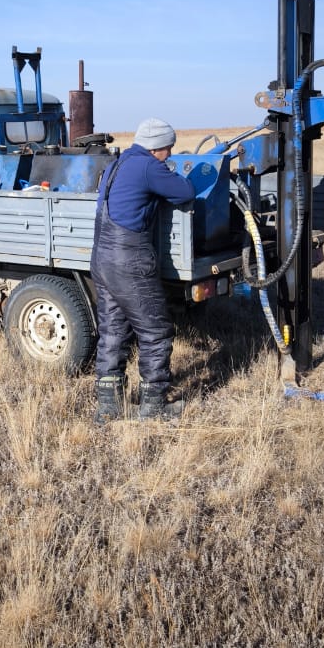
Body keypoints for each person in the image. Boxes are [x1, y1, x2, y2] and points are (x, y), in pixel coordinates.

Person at [90, 117, 196, 422]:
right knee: (154, 331)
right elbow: (185, 192)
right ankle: (153, 407)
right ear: (156, 147)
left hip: (102, 258)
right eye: (169, 149)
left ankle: (109, 408)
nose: (170, 155)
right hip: (129, 259)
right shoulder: (150, 166)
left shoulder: (118, 163)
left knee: (112, 331)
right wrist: (176, 175)